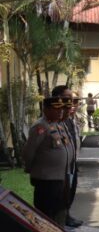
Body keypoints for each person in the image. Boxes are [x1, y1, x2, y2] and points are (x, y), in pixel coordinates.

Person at [22, 94, 74, 225]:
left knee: (59, 209)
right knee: (46, 213)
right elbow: (29, 151)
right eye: (57, 109)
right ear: (46, 110)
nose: (60, 111)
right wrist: (30, 168)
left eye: (61, 109)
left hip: (60, 177)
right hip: (46, 179)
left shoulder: (58, 125)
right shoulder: (40, 127)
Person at [50, 85, 83, 228]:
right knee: (61, 195)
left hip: (71, 163)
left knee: (70, 191)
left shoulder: (70, 118)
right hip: (59, 167)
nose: (73, 104)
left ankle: (66, 216)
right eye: (69, 100)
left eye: (75, 101)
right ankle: (59, 223)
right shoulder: (55, 120)